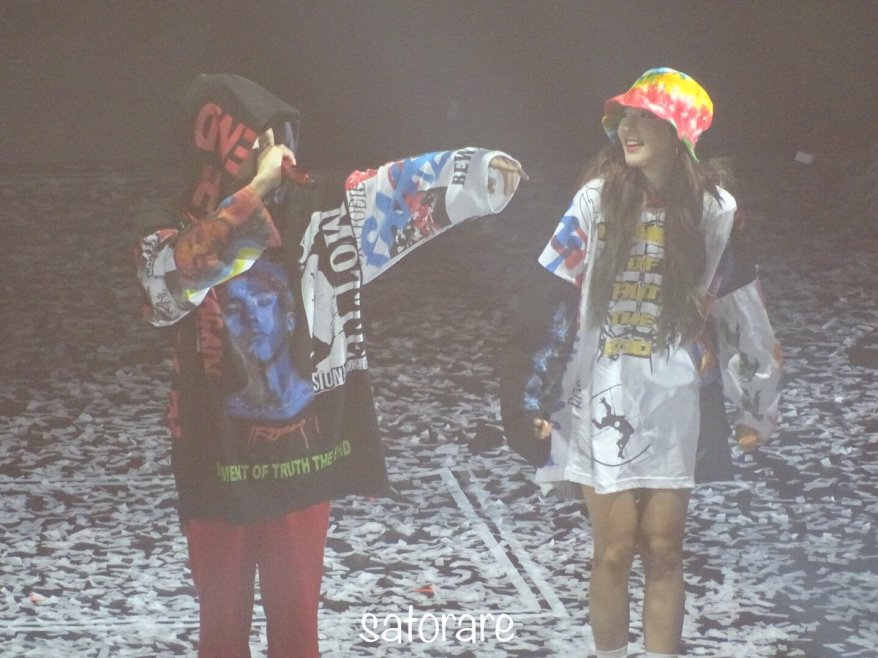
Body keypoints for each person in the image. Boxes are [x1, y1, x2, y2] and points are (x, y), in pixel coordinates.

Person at [136, 73, 526, 658]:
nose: (279, 151)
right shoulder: (169, 225)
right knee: (220, 635)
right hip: (214, 464)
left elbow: (390, 192)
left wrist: (476, 173)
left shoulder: (318, 210)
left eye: (280, 136)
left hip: (301, 461)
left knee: (298, 636)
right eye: (260, 140)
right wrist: (258, 189)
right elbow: (178, 281)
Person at [499, 68, 781, 657]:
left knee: (664, 549)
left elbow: (741, 310)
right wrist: (525, 398)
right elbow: (550, 297)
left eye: (645, 117)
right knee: (613, 548)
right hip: (599, 387)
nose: (628, 127)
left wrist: (757, 403)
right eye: (624, 116)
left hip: (673, 396)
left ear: (679, 133)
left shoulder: (716, 211)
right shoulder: (595, 201)